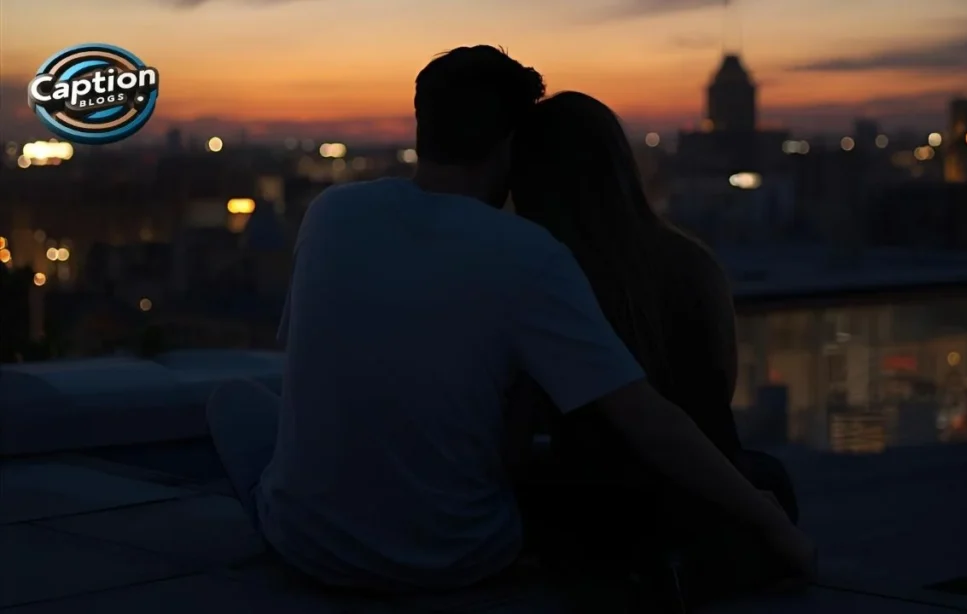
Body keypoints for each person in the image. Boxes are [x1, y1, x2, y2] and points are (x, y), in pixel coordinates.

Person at [206, 46, 815, 600]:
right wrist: (768, 520)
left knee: (234, 401)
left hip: (308, 550)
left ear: (422, 129)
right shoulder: (528, 253)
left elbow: (323, 368)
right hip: (456, 560)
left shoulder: (332, 212)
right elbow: (646, 420)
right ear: (507, 148)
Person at [507, 91, 800, 604]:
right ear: (621, 165)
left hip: (597, 514)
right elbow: (715, 392)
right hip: (709, 501)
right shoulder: (692, 263)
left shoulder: (539, 276)